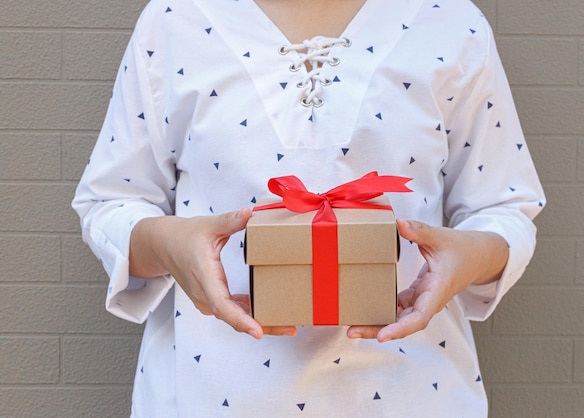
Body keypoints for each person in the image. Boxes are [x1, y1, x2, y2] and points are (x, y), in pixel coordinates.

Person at [72, 0, 545, 416]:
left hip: (416, 395)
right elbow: (111, 201)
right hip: (207, 397)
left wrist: (467, 257)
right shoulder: (173, 21)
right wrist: (170, 244)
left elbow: (504, 206)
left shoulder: (452, 23)